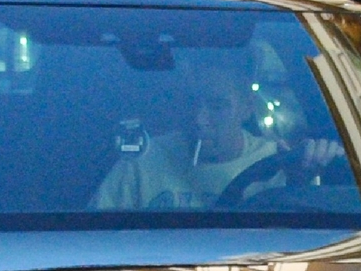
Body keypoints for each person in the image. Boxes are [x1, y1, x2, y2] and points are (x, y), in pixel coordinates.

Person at [93, 66, 280, 210]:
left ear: (247, 107)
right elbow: (97, 236)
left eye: (217, 106)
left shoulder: (275, 163)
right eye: (191, 103)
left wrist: (300, 180)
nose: (199, 119)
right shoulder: (142, 161)